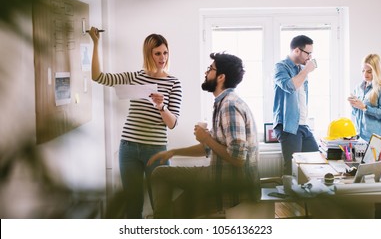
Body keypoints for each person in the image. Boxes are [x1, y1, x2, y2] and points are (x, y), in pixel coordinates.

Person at [147, 52, 259, 219]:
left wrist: (205, 138)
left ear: (221, 77)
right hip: (215, 173)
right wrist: (173, 152)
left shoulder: (229, 106)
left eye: (210, 69)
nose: (206, 73)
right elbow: (209, 148)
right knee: (160, 174)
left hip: (228, 185)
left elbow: (238, 159)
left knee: (175, 210)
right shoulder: (221, 103)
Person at [88, 27, 182, 218]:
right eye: (157, 53)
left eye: (165, 52)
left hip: (156, 150)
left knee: (162, 205)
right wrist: (96, 43)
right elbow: (98, 77)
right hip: (128, 149)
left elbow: (172, 123)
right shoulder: (135, 77)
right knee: (132, 205)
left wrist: (162, 106)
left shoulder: (174, 83)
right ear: (148, 54)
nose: (162, 57)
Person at [273, 35, 318, 175]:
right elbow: (290, 86)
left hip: (302, 124)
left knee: (315, 161)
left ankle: (309, 195)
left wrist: (304, 70)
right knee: (292, 169)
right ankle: (290, 197)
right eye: (308, 53)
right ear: (297, 50)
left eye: (311, 53)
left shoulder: (301, 69)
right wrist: (306, 70)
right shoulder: (281, 67)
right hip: (289, 126)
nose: (310, 57)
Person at [348, 54, 381, 142]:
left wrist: (364, 107)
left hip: (374, 139)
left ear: (376, 71)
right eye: (363, 71)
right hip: (359, 137)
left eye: (369, 71)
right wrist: (354, 105)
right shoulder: (358, 88)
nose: (365, 74)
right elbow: (356, 113)